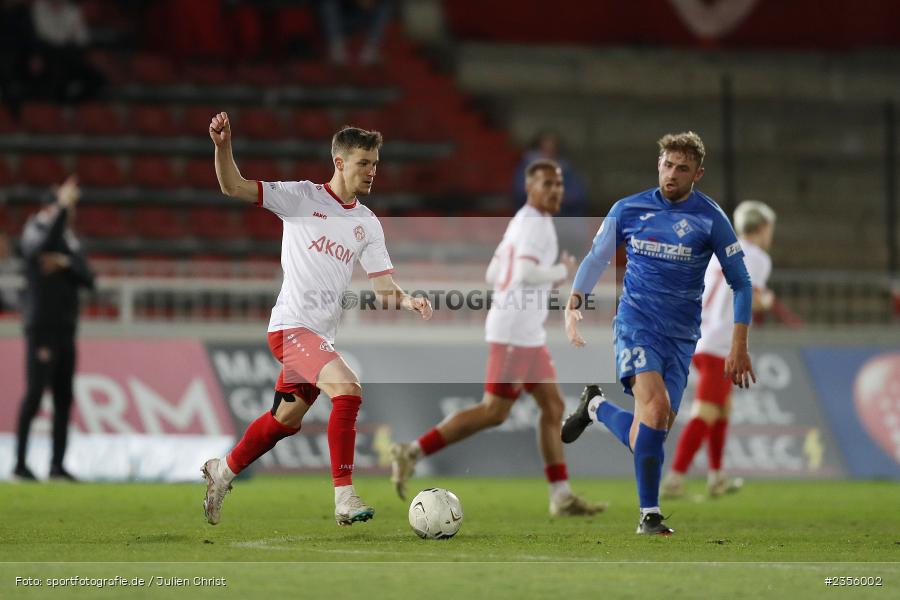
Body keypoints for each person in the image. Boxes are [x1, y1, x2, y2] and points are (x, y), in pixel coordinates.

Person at [201, 112, 433, 527]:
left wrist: (407, 299)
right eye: (364, 163)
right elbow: (232, 185)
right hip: (290, 327)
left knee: (284, 422)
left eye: (376, 163)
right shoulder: (301, 198)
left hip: (318, 336)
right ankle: (344, 498)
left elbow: (383, 287)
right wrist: (222, 147)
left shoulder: (367, 223)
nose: (372, 171)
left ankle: (223, 472)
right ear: (340, 163)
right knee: (347, 389)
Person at [560, 132, 756, 535]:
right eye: (667, 165)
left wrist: (739, 345)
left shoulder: (710, 218)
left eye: (682, 168)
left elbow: (742, 283)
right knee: (654, 409)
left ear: (697, 174)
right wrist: (574, 302)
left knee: (651, 430)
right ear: (658, 165)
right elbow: (596, 258)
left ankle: (594, 407)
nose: (672, 174)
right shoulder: (628, 209)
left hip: (682, 336)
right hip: (636, 323)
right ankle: (649, 514)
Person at [389, 159, 607, 517]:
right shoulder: (534, 224)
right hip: (514, 333)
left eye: (559, 184)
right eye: (548, 184)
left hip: (526, 333)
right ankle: (412, 451)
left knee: (552, 407)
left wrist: (538, 279)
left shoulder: (524, 221)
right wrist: (560, 271)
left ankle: (561, 495)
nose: (557, 190)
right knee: (494, 412)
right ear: (530, 188)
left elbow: (494, 271)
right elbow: (522, 271)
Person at [662, 200, 776, 498]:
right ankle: (675, 478)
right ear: (763, 229)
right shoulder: (758, 257)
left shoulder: (722, 251)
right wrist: (768, 301)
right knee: (706, 410)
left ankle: (716, 477)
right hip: (721, 344)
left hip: (701, 338)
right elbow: (754, 298)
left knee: (723, 408)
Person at [14, 175, 95, 482]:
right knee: (35, 394)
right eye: (64, 210)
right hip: (42, 327)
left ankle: (56, 466)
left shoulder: (66, 241)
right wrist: (62, 207)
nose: (69, 217)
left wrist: (65, 264)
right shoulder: (35, 230)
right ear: (50, 208)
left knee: (63, 398)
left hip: (66, 328)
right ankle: (20, 464)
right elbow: (39, 247)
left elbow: (89, 277)